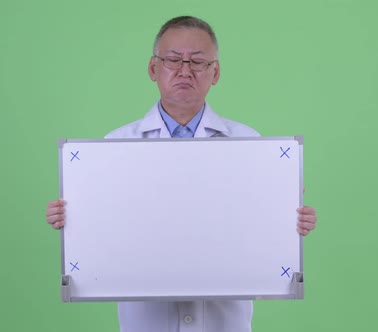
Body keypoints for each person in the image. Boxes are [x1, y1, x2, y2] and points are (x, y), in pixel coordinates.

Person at [45, 15, 318, 332]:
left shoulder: (250, 144)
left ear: (214, 73)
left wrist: (290, 220)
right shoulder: (115, 146)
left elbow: (258, 224)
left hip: (224, 320)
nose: (185, 71)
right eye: (173, 60)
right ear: (153, 68)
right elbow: (106, 223)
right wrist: (73, 218)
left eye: (198, 62)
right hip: (146, 321)